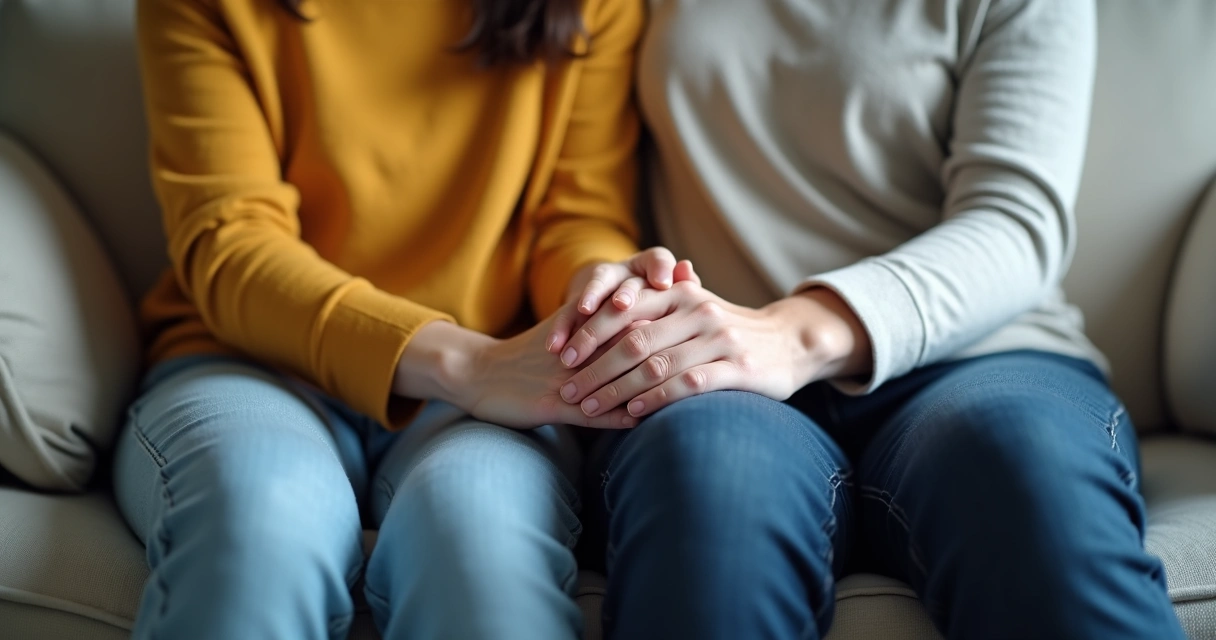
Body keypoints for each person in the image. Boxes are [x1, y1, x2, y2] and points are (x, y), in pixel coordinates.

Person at [551, 1, 1188, 638]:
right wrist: (615, 284)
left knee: (1023, 474)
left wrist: (795, 333)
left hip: (977, 355)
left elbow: (1015, 223)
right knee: (709, 489)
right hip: (717, 373)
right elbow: (583, 193)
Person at [112, 0, 693, 638]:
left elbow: (574, 218)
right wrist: (466, 363)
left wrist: (597, 287)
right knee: (258, 523)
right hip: (254, 365)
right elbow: (232, 244)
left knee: (480, 542)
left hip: (488, 386)